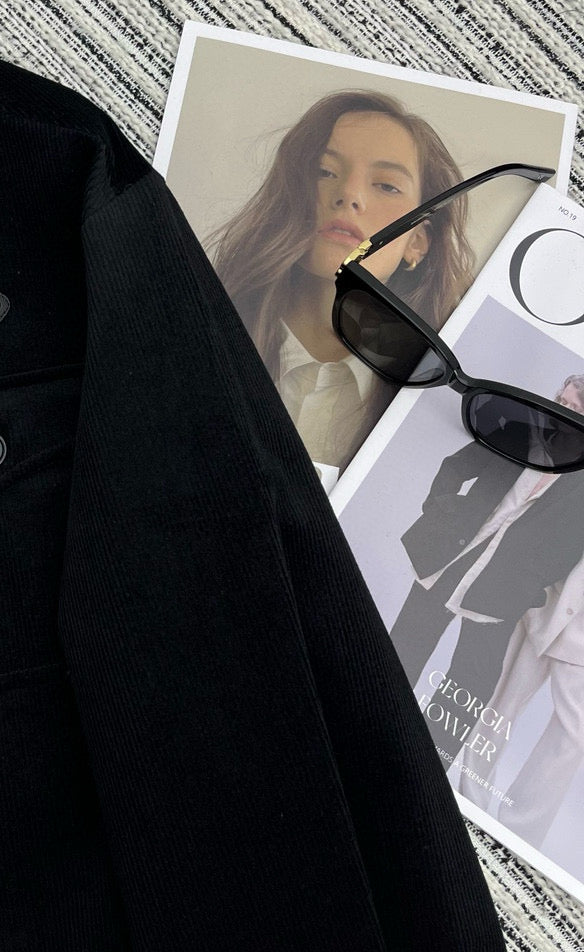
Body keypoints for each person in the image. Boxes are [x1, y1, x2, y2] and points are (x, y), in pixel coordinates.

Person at [209, 90, 472, 471]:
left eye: (386, 185)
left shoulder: (437, 410)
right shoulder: (203, 330)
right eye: (325, 172)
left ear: (417, 241)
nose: (349, 194)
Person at [392, 374, 584, 768]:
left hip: (500, 590)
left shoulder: (581, 484)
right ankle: (366, 723)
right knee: (401, 653)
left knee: (471, 684)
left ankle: (424, 767)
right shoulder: (519, 432)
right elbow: (455, 467)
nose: (561, 411)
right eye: (561, 400)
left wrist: (531, 581)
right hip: (446, 562)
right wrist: (441, 514)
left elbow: (572, 545)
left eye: (574, 409)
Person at [457, 554, 584, 845]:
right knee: (501, 705)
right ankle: (468, 801)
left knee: (573, 736)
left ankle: (520, 836)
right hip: (546, 605)